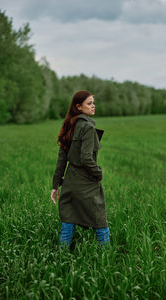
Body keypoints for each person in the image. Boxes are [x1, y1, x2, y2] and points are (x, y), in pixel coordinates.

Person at [51, 90, 110, 249]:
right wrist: (98, 173)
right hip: (86, 183)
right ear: (78, 107)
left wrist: (55, 185)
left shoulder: (69, 125)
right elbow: (86, 158)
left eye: (93, 103)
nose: (93, 106)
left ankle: (60, 260)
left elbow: (62, 159)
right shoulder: (88, 128)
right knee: (100, 221)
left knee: (68, 222)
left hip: (70, 182)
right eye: (89, 103)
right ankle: (106, 258)